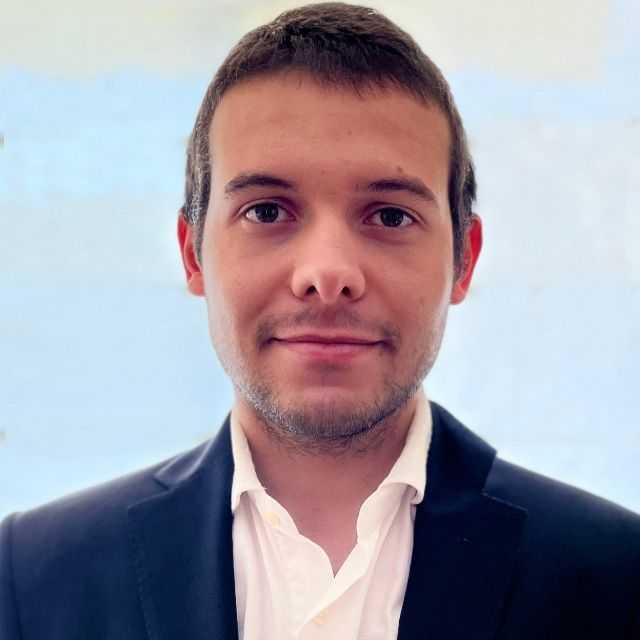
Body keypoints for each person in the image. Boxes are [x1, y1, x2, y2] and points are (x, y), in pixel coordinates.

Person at [1, 3, 639, 639]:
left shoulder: (616, 576)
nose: (328, 273)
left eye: (389, 216)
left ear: (463, 260)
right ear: (193, 253)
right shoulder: (32, 579)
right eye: (267, 211)